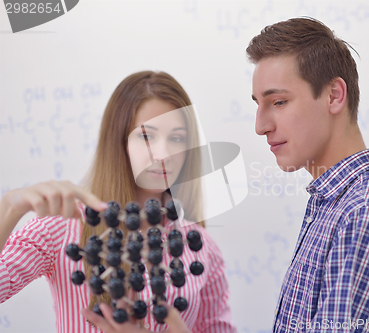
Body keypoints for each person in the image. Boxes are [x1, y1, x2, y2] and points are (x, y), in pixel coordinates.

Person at [0, 71, 237, 333]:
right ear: (119, 141)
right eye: (146, 136)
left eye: (177, 138)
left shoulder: (200, 245)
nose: (163, 154)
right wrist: (8, 209)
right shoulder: (61, 226)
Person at [247, 18, 369, 332]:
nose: (260, 126)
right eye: (258, 105)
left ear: (334, 95)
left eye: (278, 102)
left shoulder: (364, 214)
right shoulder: (335, 205)